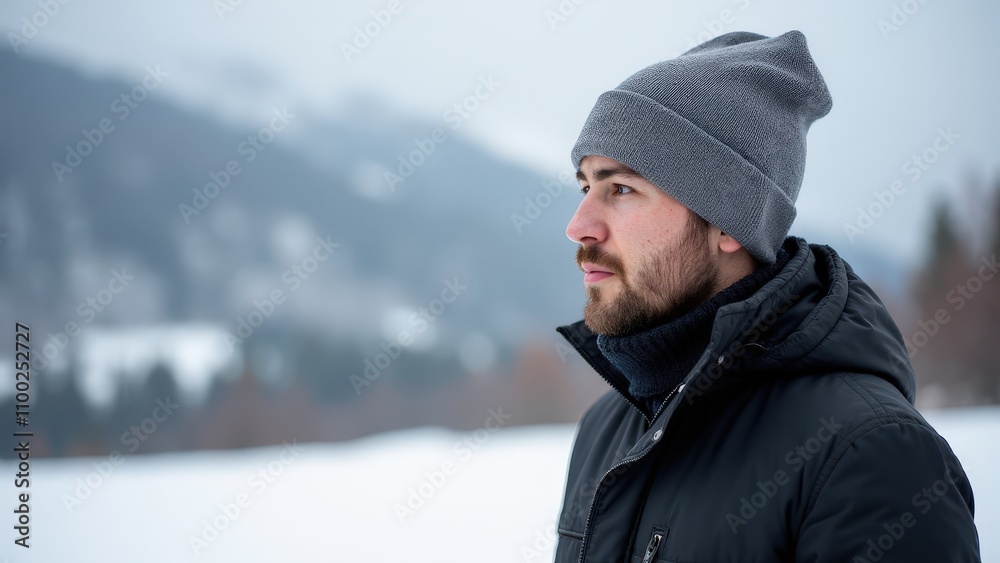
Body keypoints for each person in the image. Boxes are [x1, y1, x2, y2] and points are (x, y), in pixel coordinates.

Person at [553, 30, 981, 562]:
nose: (578, 226)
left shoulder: (871, 454)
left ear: (729, 219)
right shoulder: (607, 428)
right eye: (585, 187)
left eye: (621, 188)